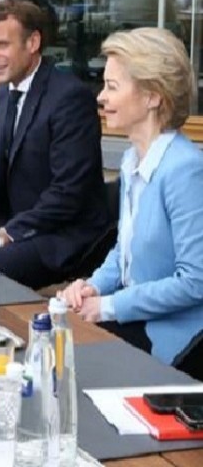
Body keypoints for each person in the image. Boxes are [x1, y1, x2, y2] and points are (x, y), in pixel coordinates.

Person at [60, 27, 203, 380]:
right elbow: (125, 251)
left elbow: (195, 281)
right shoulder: (132, 159)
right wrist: (93, 285)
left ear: (153, 96)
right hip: (139, 321)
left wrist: (108, 306)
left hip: (180, 341)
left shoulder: (185, 169)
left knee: (70, 366)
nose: (100, 97)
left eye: (112, 87)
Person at [0, 0, 109, 289]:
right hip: (10, 224)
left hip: (60, 236)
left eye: (1, 45)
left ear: (32, 42)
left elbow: (68, 193)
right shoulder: (0, 96)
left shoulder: (70, 98)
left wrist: (1, 236)